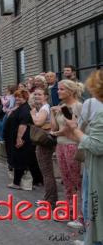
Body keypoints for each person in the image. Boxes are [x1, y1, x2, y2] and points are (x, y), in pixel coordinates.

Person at [59, 70, 103, 245]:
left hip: (98, 169)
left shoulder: (95, 110)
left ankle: (92, 239)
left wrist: (74, 129)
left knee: (93, 202)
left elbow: (97, 146)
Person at [50, 79, 84, 228]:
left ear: (70, 91)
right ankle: (69, 210)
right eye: (58, 89)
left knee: (77, 181)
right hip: (60, 146)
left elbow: (73, 128)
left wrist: (56, 133)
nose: (58, 91)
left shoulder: (78, 106)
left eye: (61, 89)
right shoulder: (62, 107)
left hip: (72, 146)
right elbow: (54, 126)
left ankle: (81, 214)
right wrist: (52, 113)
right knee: (66, 180)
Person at [6, 89, 43, 190]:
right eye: (16, 96)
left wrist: (19, 138)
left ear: (26, 97)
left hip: (23, 139)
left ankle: (16, 183)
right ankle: (38, 181)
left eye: (20, 97)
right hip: (20, 138)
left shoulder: (25, 109)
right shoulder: (20, 107)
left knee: (20, 160)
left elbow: (23, 125)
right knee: (30, 160)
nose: (17, 98)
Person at [30, 88, 57, 207]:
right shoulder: (44, 107)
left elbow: (38, 122)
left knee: (46, 172)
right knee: (47, 172)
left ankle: (49, 200)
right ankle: (50, 198)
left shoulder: (45, 108)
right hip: (44, 141)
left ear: (46, 96)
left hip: (44, 142)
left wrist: (33, 113)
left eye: (39, 94)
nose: (36, 96)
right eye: (35, 94)